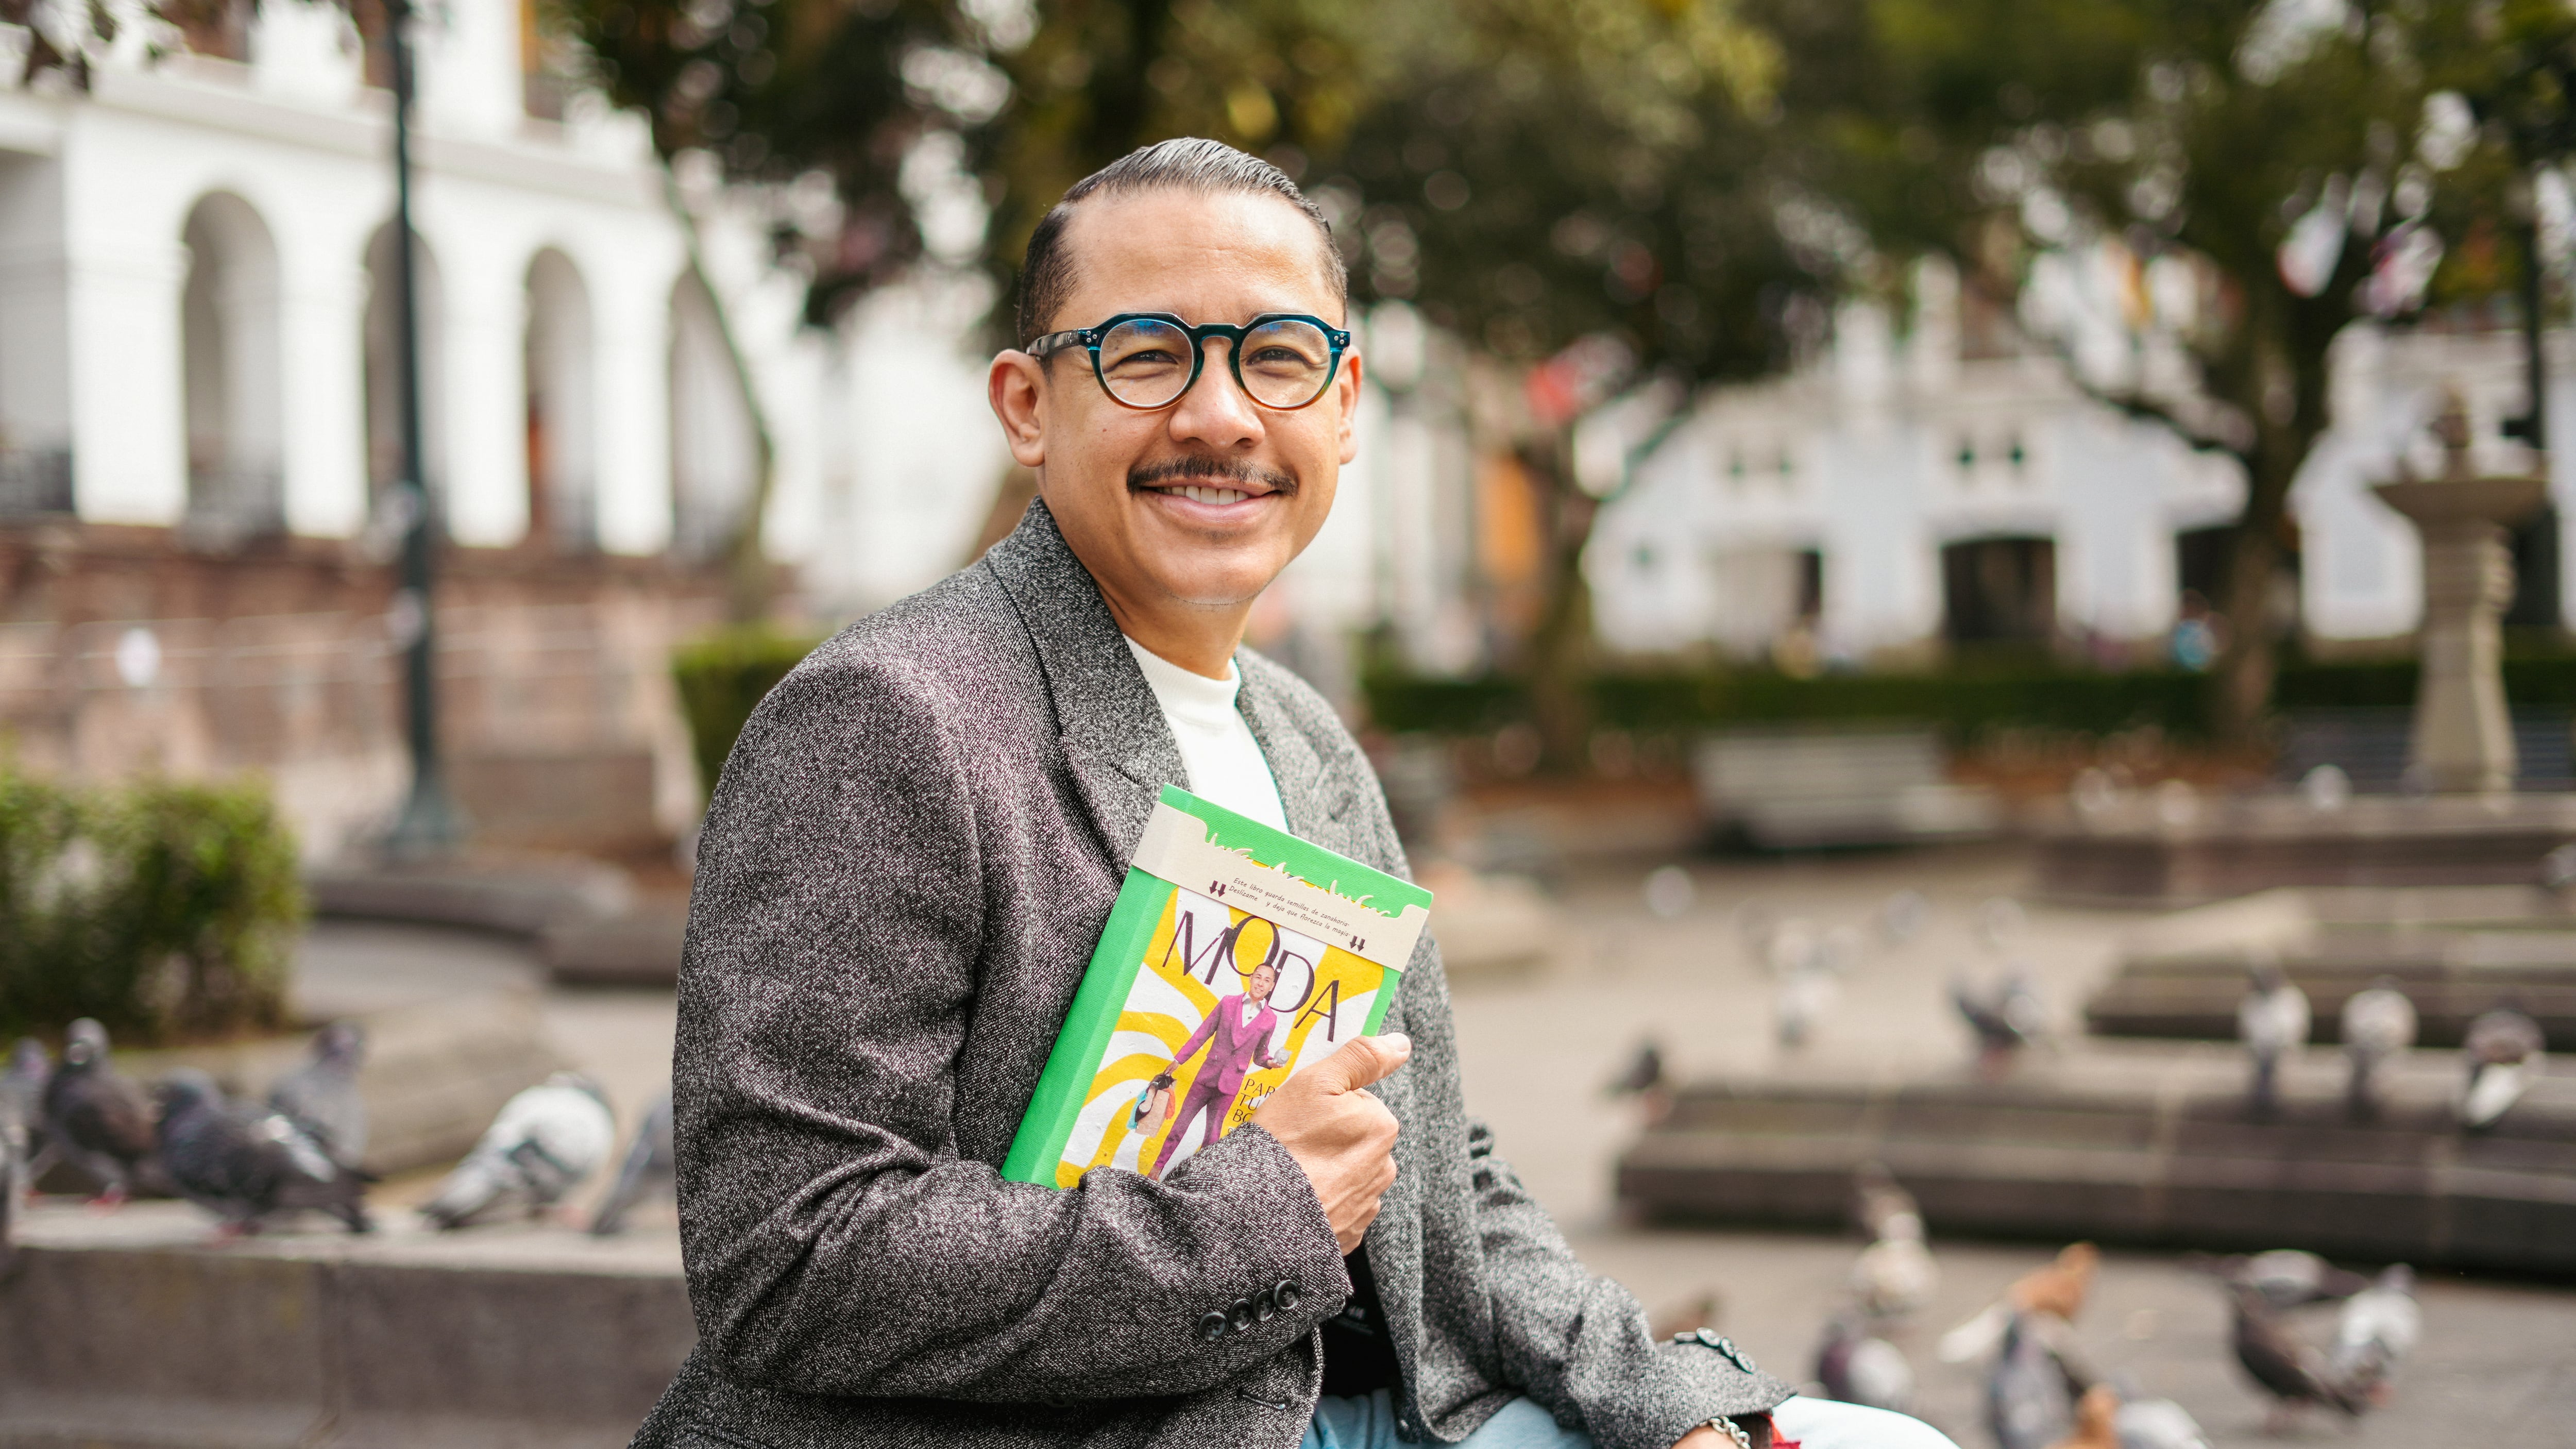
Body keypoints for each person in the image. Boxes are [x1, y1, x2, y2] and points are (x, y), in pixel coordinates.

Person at [630, 138, 1955, 1449]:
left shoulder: (1304, 734)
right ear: (1027, 405)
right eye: (1147, 353)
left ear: (1342, 404)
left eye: (1276, 358)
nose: (1220, 417)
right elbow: (790, 1255)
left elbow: (1436, 1164)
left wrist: (1670, 1412)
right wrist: (1261, 1208)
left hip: (1365, 1400)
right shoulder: (887, 719)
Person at [1150, 959, 1291, 1179]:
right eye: (1258, 977)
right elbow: (1202, 1033)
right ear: (1250, 978)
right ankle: (1156, 1170)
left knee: (1212, 1138)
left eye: (1267, 981)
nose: (1261, 984)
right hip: (1206, 1077)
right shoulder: (1228, 1003)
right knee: (1180, 1126)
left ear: (1272, 986)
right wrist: (1179, 1060)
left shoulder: (1270, 1020)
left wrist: (1271, 1063)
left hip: (1230, 1085)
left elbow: (1260, 1055)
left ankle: (1196, 1181)